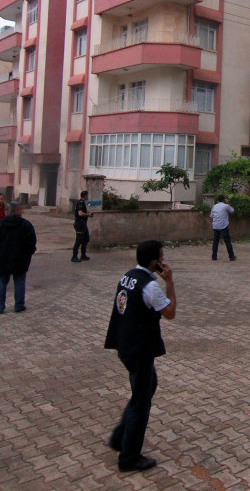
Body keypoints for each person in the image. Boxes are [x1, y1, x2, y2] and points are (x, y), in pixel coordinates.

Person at [104, 240, 176, 473]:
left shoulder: (128, 276)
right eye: (161, 257)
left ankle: (119, 438)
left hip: (125, 343)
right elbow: (170, 313)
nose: (163, 261)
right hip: (139, 348)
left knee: (146, 386)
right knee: (141, 403)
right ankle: (129, 457)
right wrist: (170, 282)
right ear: (153, 261)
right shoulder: (151, 286)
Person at [0, 202, 37, 314]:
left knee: (1, 283)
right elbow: (32, 242)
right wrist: (28, 253)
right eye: (21, 209)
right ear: (16, 211)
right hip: (20, 258)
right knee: (19, 282)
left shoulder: (0, 224)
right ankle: (19, 305)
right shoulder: (25, 224)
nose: (22, 212)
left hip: (3, 257)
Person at [210, 195, 237, 261]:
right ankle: (231, 256)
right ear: (224, 199)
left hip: (215, 226)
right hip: (223, 226)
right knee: (227, 242)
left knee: (215, 242)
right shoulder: (226, 206)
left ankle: (214, 256)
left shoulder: (214, 206)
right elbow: (232, 211)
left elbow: (211, 215)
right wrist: (227, 203)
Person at [72, 190, 93, 262]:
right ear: (85, 196)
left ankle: (83, 255)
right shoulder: (80, 203)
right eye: (87, 195)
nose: (88, 196)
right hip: (79, 224)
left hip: (83, 224)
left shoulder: (83, 203)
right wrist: (88, 214)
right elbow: (80, 213)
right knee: (78, 240)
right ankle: (74, 256)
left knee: (86, 238)